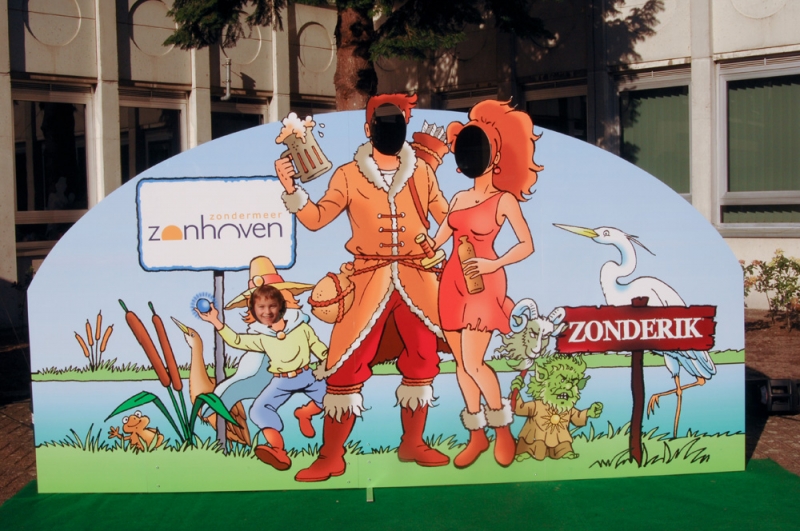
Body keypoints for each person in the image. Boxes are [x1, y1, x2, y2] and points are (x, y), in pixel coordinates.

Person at [275, 93, 451, 482]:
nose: (391, 131)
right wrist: (291, 189)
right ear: (368, 129)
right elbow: (317, 218)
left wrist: (444, 239)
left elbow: (446, 214)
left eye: (397, 124)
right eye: (385, 125)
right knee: (345, 363)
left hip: (417, 281)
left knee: (423, 358)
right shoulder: (348, 175)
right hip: (368, 281)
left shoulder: (422, 171)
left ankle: (413, 443)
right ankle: (331, 456)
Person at [431, 99, 542, 468]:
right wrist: (420, 246)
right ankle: (476, 434)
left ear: (496, 158)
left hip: (484, 282)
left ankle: (502, 429)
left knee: (475, 362)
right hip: (452, 282)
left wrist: (495, 262)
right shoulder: (458, 198)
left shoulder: (504, 200)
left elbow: (526, 244)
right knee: (461, 365)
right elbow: (438, 239)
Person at [197, 283, 328, 471]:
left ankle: (304, 413)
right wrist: (215, 321)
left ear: (281, 306)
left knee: (332, 399)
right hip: (281, 381)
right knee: (258, 411)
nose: (267, 311)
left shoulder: (300, 327)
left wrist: (330, 362)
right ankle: (278, 450)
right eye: (261, 307)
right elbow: (236, 340)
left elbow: (318, 346)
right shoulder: (261, 336)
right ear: (254, 310)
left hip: (307, 374)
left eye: (272, 306)